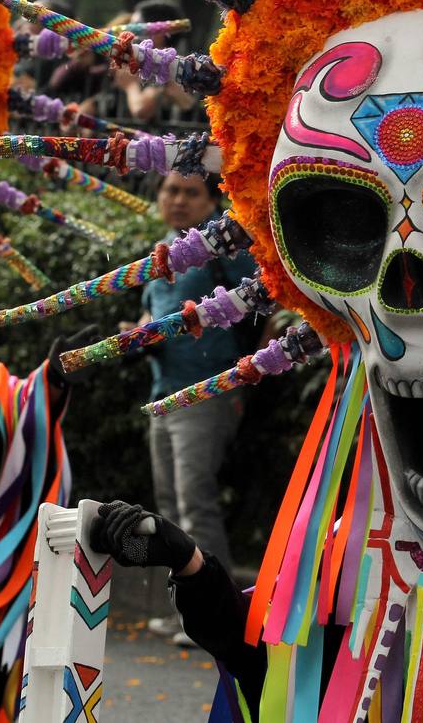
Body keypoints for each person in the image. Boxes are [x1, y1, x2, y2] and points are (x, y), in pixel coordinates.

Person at [136, 171, 256, 640]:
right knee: (169, 509)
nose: (179, 199)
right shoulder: (162, 254)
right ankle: (186, 612)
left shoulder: (227, 251)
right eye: (171, 190)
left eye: (191, 192)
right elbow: (156, 315)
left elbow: (261, 303)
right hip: (162, 395)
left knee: (195, 503)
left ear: (211, 201)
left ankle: (219, 616)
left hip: (207, 393)